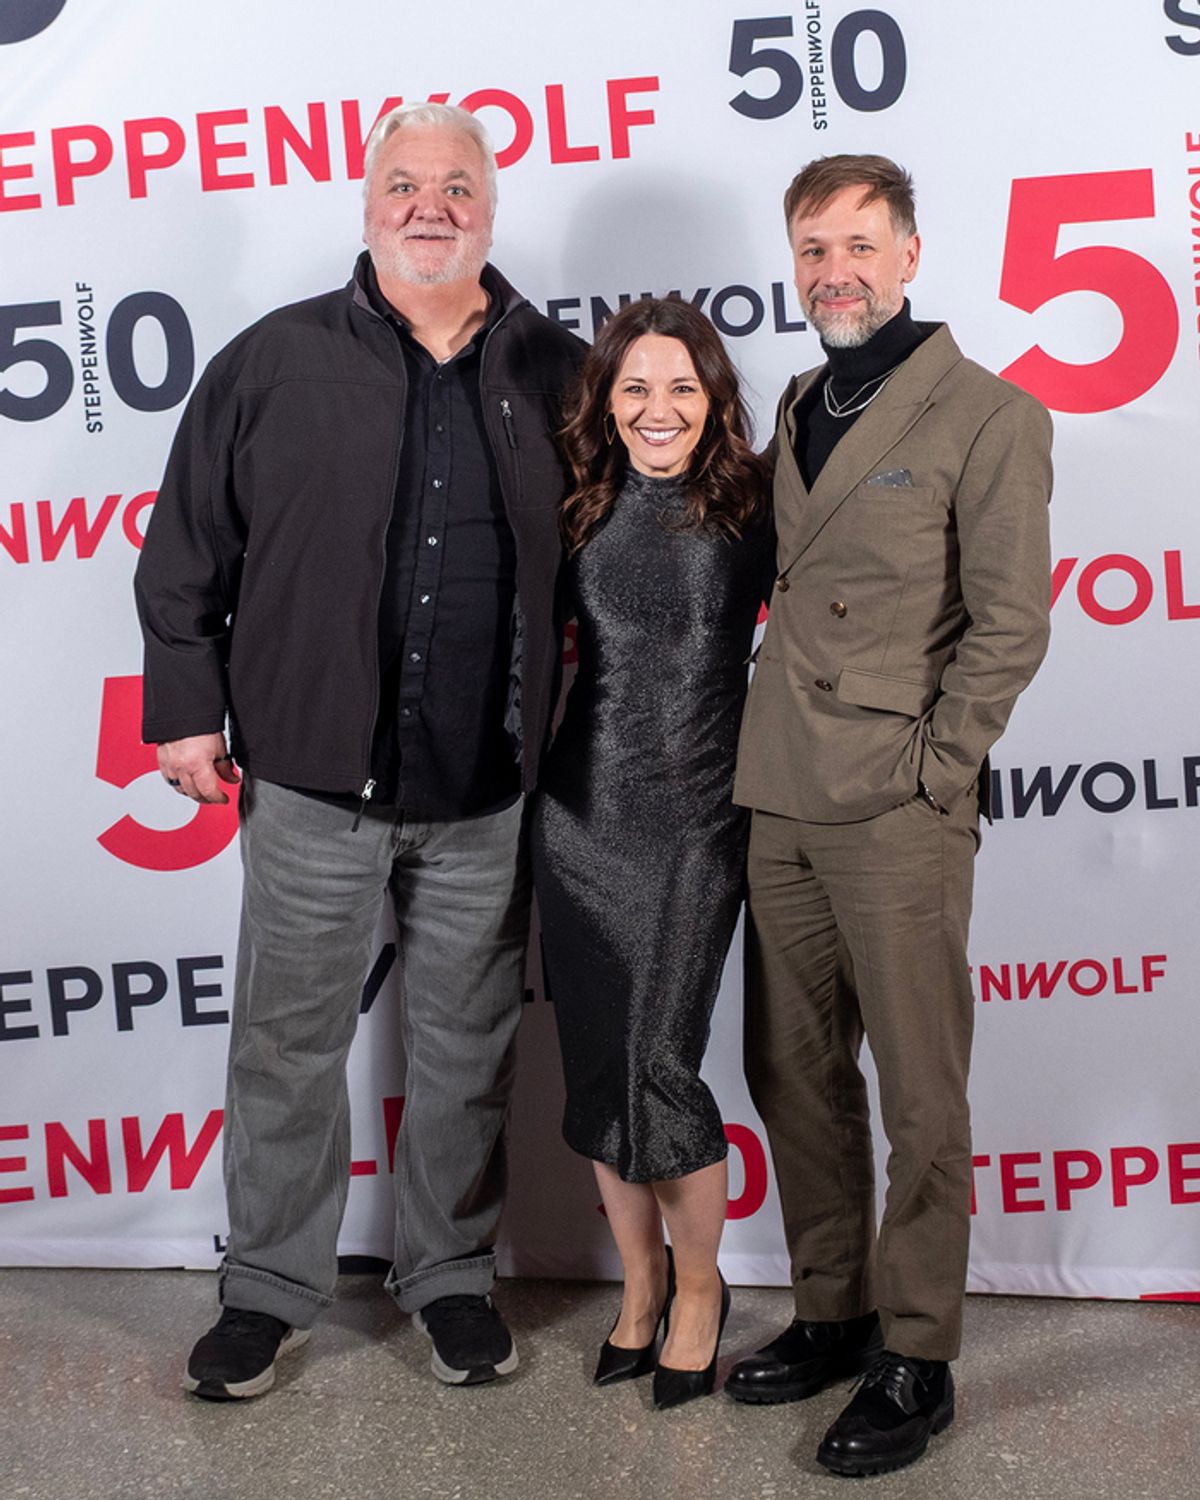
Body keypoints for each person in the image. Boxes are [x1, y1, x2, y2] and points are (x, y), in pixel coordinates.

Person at [134, 102, 584, 1400]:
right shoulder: (273, 360)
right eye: (405, 181)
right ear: (366, 199)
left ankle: (448, 1279)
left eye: (457, 183)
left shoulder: (556, 372)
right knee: (285, 1046)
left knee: (468, 1049)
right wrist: (185, 708)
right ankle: (268, 1292)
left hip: (488, 789)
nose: (429, 203)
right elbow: (188, 547)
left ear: (491, 209)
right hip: (315, 781)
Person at [726, 156, 1052, 1475]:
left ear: (912, 254)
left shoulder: (988, 414)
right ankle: (832, 1310)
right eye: (812, 248)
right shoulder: (801, 400)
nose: (834, 270)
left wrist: (941, 766)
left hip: (898, 805)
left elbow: (1013, 621)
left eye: (859, 244)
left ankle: (917, 1354)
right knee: (790, 1071)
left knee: (919, 1091)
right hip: (779, 791)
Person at [531, 298, 770, 1409]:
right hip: (580, 818)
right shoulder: (578, 503)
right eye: (635, 388)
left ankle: (701, 1290)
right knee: (599, 1075)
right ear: (606, 401)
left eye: (682, 387)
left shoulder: (754, 504)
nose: (658, 409)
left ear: (715, 399)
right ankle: (637, 1288)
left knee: (661, 1069)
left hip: (696, 822)